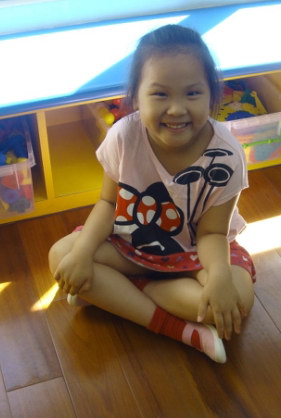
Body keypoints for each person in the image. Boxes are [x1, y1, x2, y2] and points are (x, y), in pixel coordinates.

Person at [49, 24, 255, 362]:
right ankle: (177, 329)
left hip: (197, 253)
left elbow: (213, 233)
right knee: (62, 256)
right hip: (133, 245)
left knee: (237, 301)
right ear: (136, 97)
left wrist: (219, 278)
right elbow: (108, 202)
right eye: (160, 94)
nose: (176, 109)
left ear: (212, 94)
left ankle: (124, 291)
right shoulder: (123, 136)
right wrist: (83, 253)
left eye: (192, 93)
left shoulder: (227, 155)